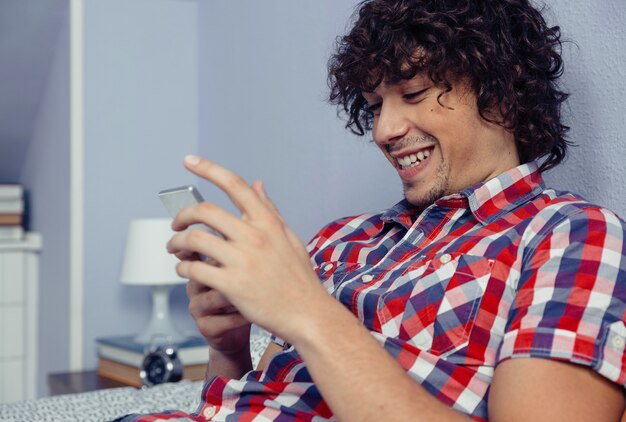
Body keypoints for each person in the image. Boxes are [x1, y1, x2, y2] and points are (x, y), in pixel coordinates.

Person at [117, 0, 626, 420]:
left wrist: (309, 312)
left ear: (504, 90)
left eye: (413, 93)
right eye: (376, 104)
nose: (384, 130)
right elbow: (250, 401)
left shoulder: (568, 235)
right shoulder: (343, 240)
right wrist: (229, 347)